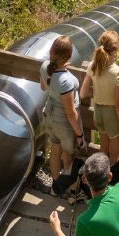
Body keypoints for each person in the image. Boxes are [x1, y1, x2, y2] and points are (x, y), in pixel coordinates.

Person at [39, 35, 84, 194]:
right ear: (69, 56)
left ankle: (56, 187)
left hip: (49, 116)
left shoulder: (45, 67)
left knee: (55, 151)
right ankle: (72, 189)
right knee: (68, 155)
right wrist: (79, 133)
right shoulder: (67, 80)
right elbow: (70, 113)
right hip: (63, 122)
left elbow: (44, 88)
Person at [80, 29, 119, 165]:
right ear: (116, 49)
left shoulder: (92, 66)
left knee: (103, 146)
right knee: (115, 152)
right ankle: (110, 177)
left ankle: (100, 175)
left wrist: (95, 92)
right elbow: (118, 104)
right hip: (111, 113)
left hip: (98, 112)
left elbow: (83, 93)